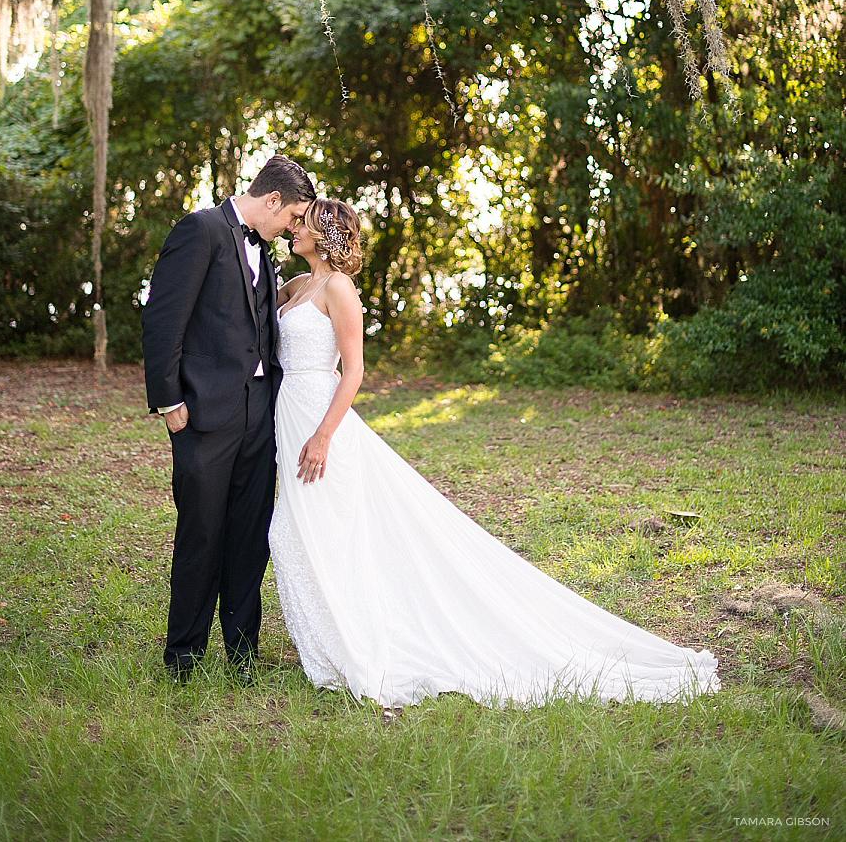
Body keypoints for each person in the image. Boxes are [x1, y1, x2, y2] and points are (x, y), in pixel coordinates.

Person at [269, 198, 720, 708]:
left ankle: (355, 643)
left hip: (321, 426)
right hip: (290, 415)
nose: (293, 229)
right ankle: (331, 643)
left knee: (322, 533)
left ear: (326, 233)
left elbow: (353, 372)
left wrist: (325, 434)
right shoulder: (295, 285)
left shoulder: (338, 289)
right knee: (296, 533)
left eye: (302, 223)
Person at [142, 154, 316, 682]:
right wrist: (170, 403)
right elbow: (162, 319)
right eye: (293, 217)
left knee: (248, 536)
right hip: (203, 416)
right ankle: (184, 657)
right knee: (201, 534)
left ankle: (243, 654)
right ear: (272, 201)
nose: (294, 229)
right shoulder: (200, 231)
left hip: (259, 417)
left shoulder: (266, 251)